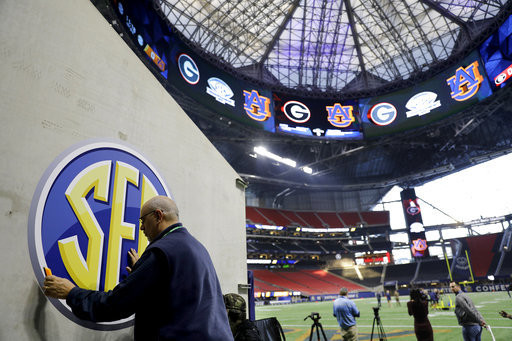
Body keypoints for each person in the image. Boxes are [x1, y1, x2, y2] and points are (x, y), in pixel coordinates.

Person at [43, 195, 233, 341]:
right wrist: (144, 272)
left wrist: (71, 293)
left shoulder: (161, 252)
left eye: (143, 220)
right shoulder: (196, 247)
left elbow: (115, 305)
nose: (141, 228)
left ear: (158, 216)